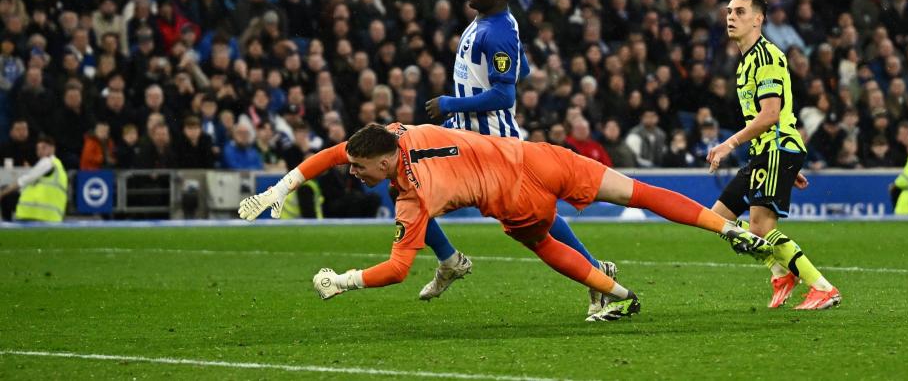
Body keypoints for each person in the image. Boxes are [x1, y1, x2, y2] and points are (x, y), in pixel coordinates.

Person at [239, 122, 772, 322]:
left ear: (382, 163)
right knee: (638, 191)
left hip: (517, 200)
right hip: (540, 156)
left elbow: (399, 268)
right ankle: (727, 227)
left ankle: (617, 293)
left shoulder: (412, 198)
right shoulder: (400, 132)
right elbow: (335, 154)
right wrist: (280, 187)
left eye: (360, 168)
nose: (352, 172)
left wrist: (344, 280)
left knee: (543, 243)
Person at [423, 0, 613, 315]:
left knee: (536, 221)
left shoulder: (495, 31)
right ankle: (449, 261)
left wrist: (451, 102)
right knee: (406, 185)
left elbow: (505, 94)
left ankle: (596, 274)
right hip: (464, 137)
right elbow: (519, 68)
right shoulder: (491, 23)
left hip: (493, 147)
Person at [707, 0, 842, 311]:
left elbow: (770, 115)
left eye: (740, 12)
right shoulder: (746, 62)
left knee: (759, 228)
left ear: (758, 19)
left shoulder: (767, 58)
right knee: (716, 220)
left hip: (777, 148)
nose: (730, 17)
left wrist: (729, 143)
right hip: (769, 152)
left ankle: (823, 288)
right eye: (728, 11)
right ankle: (780, 270)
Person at [0, 134, 68, 222]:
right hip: (53, 215)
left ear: (52, 148)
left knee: (7, 195)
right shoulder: (59, 167)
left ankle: (6, 227)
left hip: (35, 211)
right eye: (38, 149)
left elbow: (23, 181)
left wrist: (2, 193)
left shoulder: (47, 162)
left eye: (44, 148)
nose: (40, 151)